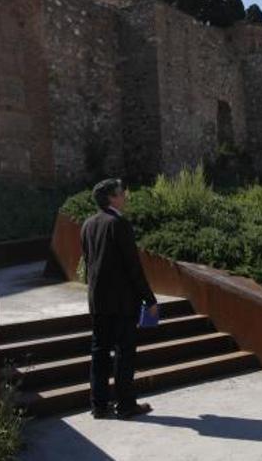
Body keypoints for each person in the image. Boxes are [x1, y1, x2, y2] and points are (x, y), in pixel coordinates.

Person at [80, 178, 159, 419]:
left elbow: (88, 262)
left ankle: (99, 406)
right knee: (124, 354)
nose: (125, 196)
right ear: (111, 198)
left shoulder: (87, 225)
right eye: (121, 193)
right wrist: (150, 299)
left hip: (98, 301)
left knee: (99, 352)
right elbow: (132, 266)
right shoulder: (119, 224)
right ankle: (126, 405)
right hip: (122, 302)